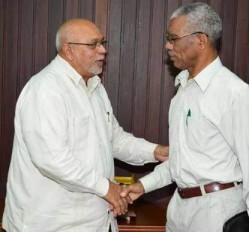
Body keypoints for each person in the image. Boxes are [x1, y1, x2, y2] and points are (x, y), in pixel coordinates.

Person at [2, 18, 168, 232]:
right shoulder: (45, 89)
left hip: (94, 222)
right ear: (68, 50)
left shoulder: (95, 87)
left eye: (102, 43)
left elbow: (113, 138)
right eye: (93, 44)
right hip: (50, 224)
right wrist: (106, 188)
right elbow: (52, 158)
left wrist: (155, 151)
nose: (103, 51)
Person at [121, 3, 249, 232]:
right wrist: (143, 186)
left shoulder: (234, 92)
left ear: (201, 40)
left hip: (216, 212)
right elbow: (181, 161)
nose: (168, 45)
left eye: (173, 38)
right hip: (179, 210)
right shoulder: (182, 90)